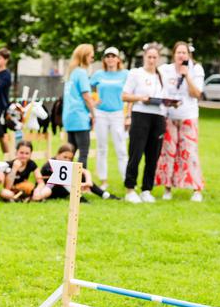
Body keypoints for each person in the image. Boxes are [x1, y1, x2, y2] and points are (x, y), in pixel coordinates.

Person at [155, 41, 206, 202]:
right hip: (170, 117)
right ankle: (167, 188)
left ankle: (196, 189)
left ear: (189, 55)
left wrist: (186, 76)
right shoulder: (165, 70)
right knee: (168, 153)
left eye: (184, 53)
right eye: (179, 53)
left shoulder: (196, 69)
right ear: (174, 54)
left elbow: (197, 93)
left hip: (188, 116)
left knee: (189, 153)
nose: (181, 56)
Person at [122, 43, 164, 203]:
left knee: (153, 155)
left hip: (158, 116)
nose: (152, 60)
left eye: (155, 57)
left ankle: (147, 189)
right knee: (136, 153)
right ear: (144, 57)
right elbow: (125, 95)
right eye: (149, 57)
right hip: (141, 115)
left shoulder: (161, 76)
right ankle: (130, 188)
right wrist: (141, 98)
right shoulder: (136, 73)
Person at [90, 47, 128, 190]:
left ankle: (126, 178)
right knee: (101, 147)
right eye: (108, 56)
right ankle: (103, 180)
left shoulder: (125, 74)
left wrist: (128, 114)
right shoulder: (98, 74)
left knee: (121, 147)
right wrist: (94, 101)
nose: (110, 58)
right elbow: (88, 89)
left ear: (118, 59)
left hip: (118, 113)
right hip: (101, 114)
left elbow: (130, 93)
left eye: (113, 56)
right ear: (104, 59)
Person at [33, 143, 118, 201]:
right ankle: (79, 198)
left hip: (63, 190)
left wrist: (88, 182)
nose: (67, 160)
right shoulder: (49, 164)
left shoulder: (68, 164)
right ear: (58, 154)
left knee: (79, 175)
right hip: (50, 191)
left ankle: (105, 195)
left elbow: (85, 171)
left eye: (69, 158)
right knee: (65, 179)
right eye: (64, 157)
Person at [62, 44, 96, 169]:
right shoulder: (81, 73)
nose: (92, 59)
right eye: (91, 56)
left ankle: (66, 182)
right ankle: (80, 183)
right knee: (83, 152)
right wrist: (93, 114)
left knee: (70, 152)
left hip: (69, 117)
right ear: (85, 56)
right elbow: (86, 96)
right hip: (80, 117)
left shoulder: (71, 73)